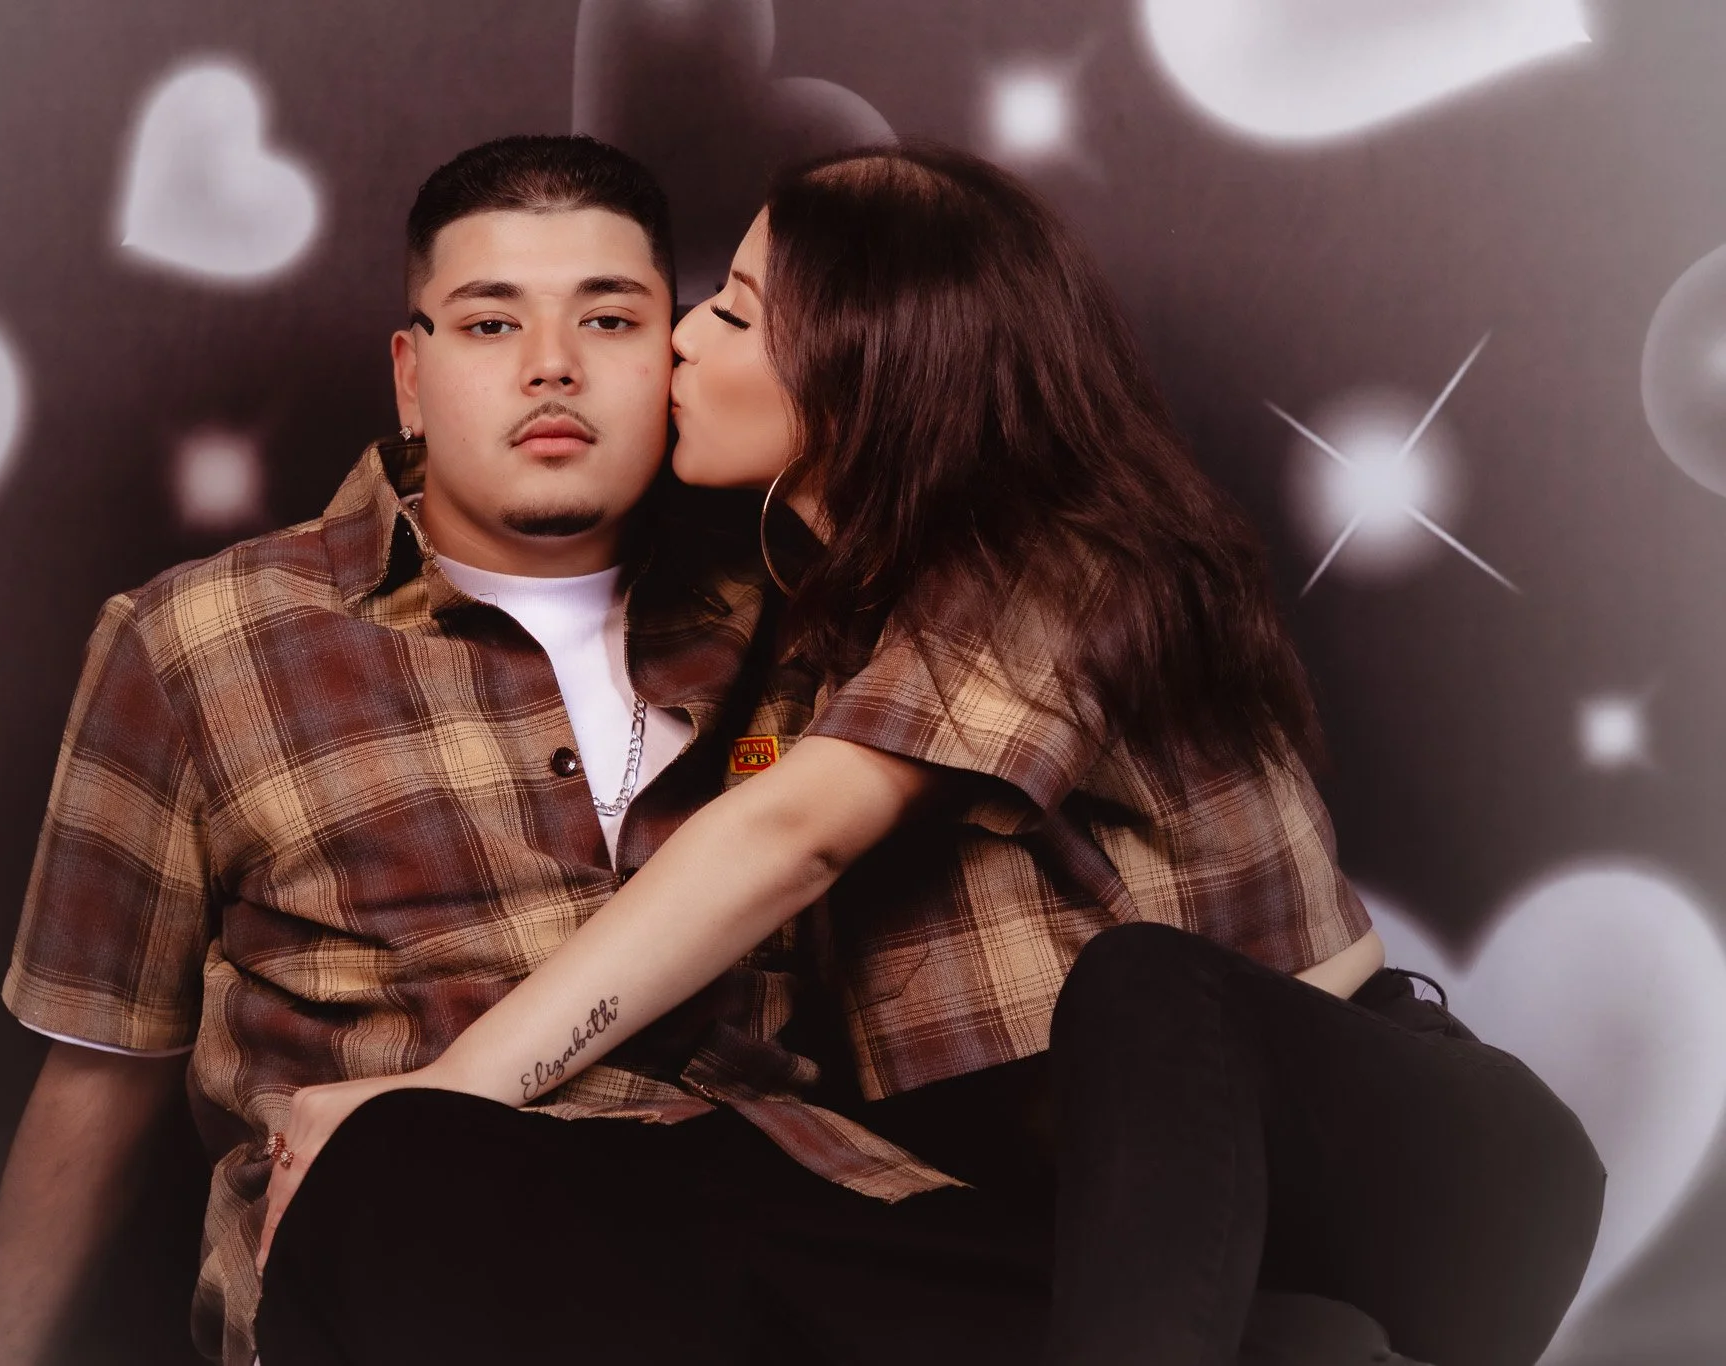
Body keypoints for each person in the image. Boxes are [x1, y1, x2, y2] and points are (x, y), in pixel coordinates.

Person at [271, 143, 1606, 1366]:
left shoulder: (1051, 562)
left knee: (1140, 989)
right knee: (616, 1178)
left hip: (1414, 1178)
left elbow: (790, 839)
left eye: (731, 313)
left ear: (860, 376)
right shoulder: (810, 634)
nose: (677, 339)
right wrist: (416, 1144)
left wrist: (445, 1084)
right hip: (1109, 1260)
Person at [0, 134, 1075, 1366]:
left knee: (1105, 1303)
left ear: (677, 353)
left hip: (765, 1189)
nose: (551, 368)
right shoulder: (196, 639)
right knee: (410, 1165)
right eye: (491, 327)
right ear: (409, 376)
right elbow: (101, 1071)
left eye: (607, 321)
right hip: (422, 1208)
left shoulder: (804, 608)